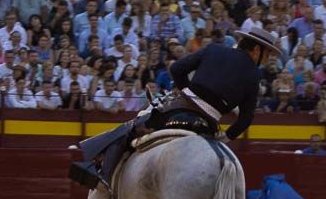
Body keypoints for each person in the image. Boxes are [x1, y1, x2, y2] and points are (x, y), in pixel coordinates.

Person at [71, 30, 281, 189]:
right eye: (267, 54)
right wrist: (225, 137)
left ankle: (103, 174)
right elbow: (246, 118)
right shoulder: (254, 75)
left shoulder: (213, 49)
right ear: (256, 49)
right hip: (207, 124)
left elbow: (176, 68)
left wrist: (186, 91)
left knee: (135, 125)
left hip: (177, 109)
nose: (266, 59)